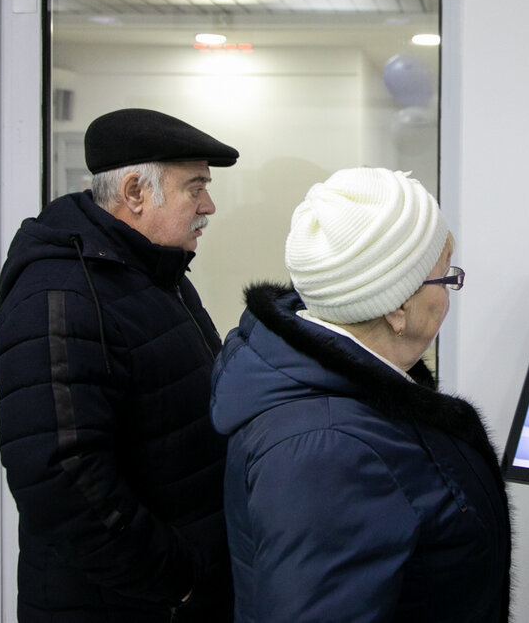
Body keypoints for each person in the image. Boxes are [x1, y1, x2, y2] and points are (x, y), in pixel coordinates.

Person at [211, 167, 511, 623]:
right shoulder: (328, 451)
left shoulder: (350, 391)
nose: (450, 295)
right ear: (397, 308)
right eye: (445, 279)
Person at [0, 108, 238, 622]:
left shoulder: (155, 270)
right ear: (135, 192)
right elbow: (63, 482)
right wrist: (181, 580)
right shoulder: (59, 297)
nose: (208, 206)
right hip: (121, 604)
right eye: (195, 188)